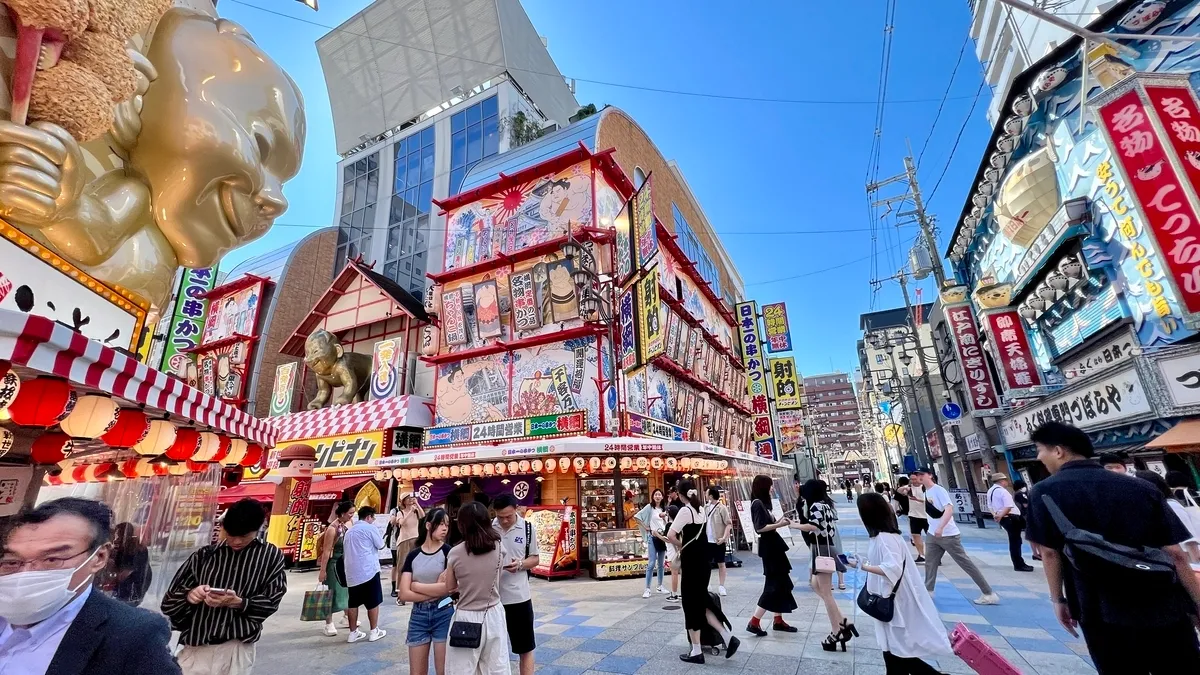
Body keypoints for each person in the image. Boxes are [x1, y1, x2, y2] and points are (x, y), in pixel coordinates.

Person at [1027, 421, 1200, 674]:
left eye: (1040, 450)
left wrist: (1058, 600)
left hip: (1096, 605)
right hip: (1161, 600)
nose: (1039, 458)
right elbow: (1175, 554)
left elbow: (1050, 553)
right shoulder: (1141, 487)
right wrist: (1196, 602)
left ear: (1058, 451)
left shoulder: (1044, 492)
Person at [0, 498, 181, 674]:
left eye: (52, 559)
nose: (27, 573)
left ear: (99, 557)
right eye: (12, 561)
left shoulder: (134, 635)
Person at [162, 498, 286, 674]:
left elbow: (271, 602)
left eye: (243, 536)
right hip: (197, 648)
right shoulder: (205, 555)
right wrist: (190, 596)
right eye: (231, 535)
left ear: (257, 530)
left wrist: (238, 602)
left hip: (237, 647)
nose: (236, 541)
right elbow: (168, 603)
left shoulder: (270, 556)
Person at [845, 493, 953, 674]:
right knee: (894, 652)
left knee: (897, 652)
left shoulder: (885, 538)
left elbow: (892, 568)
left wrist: (864, 567)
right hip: (891, 598)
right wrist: (858, 563)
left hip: (894, 600)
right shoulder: (883, 536)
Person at [666, 479, 740, 664]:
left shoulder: (685, 510)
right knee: (701, 603)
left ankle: (697, 651)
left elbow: (670, 535)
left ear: (681, 494)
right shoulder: (701, 510)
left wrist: (682, 545)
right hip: (704, 563)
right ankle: (727, 636)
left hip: (692, 564)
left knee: (691, 605)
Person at [912, 467, 998, 604]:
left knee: (965, 563)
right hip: (933, 534)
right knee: (930, 562)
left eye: (922, 474)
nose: (919, 477)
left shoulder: (939, 490)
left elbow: (949, 509)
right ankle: (928, 591)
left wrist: (940, 527)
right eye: (917, 475)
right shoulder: (925, 491)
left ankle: (988, 593)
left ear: (930, 475)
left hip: (948, 535)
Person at [443, 501, 511, 674]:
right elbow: (498, 575)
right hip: (494, 613)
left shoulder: (455, 553)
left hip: (466, 616)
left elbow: (450, 587)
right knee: (496, 667)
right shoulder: (498, 547)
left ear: (462, 524)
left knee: (461, 669)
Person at [799, 479, 855, 651]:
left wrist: (794, 525)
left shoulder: (816, 506)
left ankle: (836, 630)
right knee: (816, 585)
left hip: (822, 548)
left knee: (825, 591)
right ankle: (843, 622)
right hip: (824, 547)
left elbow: (814, 526)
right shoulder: (826, 505)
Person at [400, 508, 454, 675]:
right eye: (441, 524)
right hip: (419, 615)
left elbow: (450, 589)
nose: (445, 528)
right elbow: (403, 594)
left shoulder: (448, 552)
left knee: (443, 670)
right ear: (429, 525)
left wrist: (416, 586)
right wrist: (436, 588)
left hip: (444, 610)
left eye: (447, 524)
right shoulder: (413, 555)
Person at [745, 475, 798, 637]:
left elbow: (769, 524)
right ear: (763, 486)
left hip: (774, 546)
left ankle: (778, 620)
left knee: (780, 583)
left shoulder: (763, 504)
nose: (772, 488)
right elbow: (760, 528)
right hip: (770, 548)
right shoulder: (757, 504)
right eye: (770, 485)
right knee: (773, 584)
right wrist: (779, 524)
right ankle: (754, 621)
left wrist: (781, 520)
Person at [492, 494, 539, 675]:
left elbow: (535, 558)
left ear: (516, 509)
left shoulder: (527, 528)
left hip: (519, 598)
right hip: (493, 599)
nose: (504, 520)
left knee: (525, 647)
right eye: (500, 516)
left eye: (508, 516)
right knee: (494, 649)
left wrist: (521, 564)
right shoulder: (489, 527)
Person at [342, 506, 387, 644]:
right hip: (368, 570)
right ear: (368, 517)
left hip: (351, 573)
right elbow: (380, 545)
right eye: (373, 518)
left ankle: (353, 632)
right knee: (373, 601)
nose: (373, 520)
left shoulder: (349, 532)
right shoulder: (370, 528)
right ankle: (374, 631)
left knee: (353, 603)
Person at [1137, 471, 1200, 564]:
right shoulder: (1155, 507)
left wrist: (1196, 561)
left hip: (1187, 557)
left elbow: (1189, 536)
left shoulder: (1170, 505)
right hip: (1179, 557)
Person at [317, 501, 353, 636]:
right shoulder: (332, 529)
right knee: (331, 593)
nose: (352, 515)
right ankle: (328, 623)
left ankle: (346, 617)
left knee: (346, 591)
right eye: (350, 513)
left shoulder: (345, 526)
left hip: (344, 564)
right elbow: (326, 552)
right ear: (342, 513)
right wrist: (322, 571)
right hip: (333, 564)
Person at [987, 473, 1034, 572]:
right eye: (1005, 480)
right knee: (1016, 541)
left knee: (1014, 540)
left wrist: (996, 515)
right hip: (1010, 517)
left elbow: (990, 506)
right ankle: (1019, 563)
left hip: (1003, 518)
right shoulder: (1003, 492)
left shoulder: (990, 491)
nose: (1007, 482)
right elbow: (1008, 506)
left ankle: (1018, 562)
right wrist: (1001, 515)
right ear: (1001, 481)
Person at [104, 522, 152, 606]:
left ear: (125, 535)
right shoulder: (134, 546)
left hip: (132, 588)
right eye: (115, 535)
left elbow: (123, 575)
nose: (115, 539)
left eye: (118, 535)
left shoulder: (133, 548)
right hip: (139, 587)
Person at [391, 494, 425, 603]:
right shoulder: (400, 513)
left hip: (415, 539)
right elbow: (402, 523)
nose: (411, 500)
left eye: (411, 498)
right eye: (408, 499)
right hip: (404, 540)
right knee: (402, 565)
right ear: (404, 501)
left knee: (416, 565)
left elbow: (423, 516)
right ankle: (400, 592)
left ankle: (414, 589)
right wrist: (410, 511)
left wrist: (417, 504)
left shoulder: (416, 511)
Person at [638, 489, 669, 598]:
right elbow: (637, 516)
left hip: (662, 537)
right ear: (652, 496)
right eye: (655, 494)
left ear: (662, 497)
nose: (657, 496)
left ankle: (660, 586)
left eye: (659, 494)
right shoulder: (649, 508)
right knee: (651, 563)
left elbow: (667, 523)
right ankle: (647, 588)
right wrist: (645, 527)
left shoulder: (664, 509)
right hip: (652, 537)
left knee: (661, 563)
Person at [703, 486, 732, 596]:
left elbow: (728, 523)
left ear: (710, 495)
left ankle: (721, 585)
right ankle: (707, 584)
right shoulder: (705, 507)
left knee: (721, 563)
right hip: (707, 541)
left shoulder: (721, 508)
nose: (705, 495)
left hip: (719, 540)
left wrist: (724, 537)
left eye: (707, 493)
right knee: (707, 564)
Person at [897, 476, 927, 562]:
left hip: (926, 515)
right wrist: (906, 487)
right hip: (914, 515)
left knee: (931, 536)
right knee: (915, 535)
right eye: (911, 479)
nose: (913, 481)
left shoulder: (924, 488)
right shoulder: (909, 489)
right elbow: (899, 491)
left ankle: (934, 555)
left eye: (915, 479)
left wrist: (917, 499)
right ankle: (921, 555)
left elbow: (929, 500)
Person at [1011, 479, 1041, 561]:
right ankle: (1037, 553)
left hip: (1023, 516)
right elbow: (1025, 504)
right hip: (1026, 516)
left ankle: (1036, 553)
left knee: (1033, 536)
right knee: (1035, 535)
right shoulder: (1021, 494)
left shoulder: (1015, 494)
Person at [665, 504, 682, 602]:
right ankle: (681, 593)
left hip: (672, 552)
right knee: (681, 573)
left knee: (674, 573)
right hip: (680, 551)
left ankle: (674, 594)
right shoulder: (679, 524)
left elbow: (667, 539)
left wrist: (656, 534)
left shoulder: (669, 525)